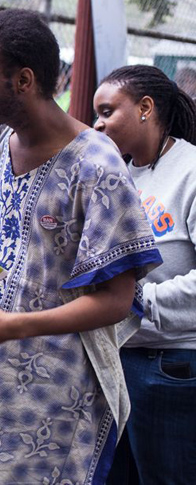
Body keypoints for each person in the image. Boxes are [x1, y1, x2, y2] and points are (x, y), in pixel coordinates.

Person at [0, 10, 162, 485]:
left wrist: (14, 326)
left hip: (49, 394)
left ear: (23, 81)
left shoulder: (96, 167)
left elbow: (116, 299)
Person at [93, 65, 196, 484]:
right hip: (118, 358)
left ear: (145, 108)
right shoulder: (119, 176)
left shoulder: (190, 170)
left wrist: (132, 303)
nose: (96, 124)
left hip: (170, 365)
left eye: (106, 111)